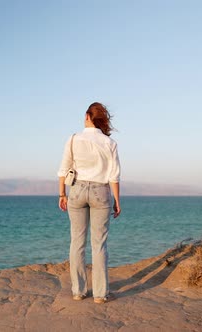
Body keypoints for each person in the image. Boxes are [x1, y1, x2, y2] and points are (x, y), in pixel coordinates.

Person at [57, 102, 121, 304]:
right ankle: (100, 295)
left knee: (77, 242)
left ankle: (78, 291)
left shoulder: (74, 139)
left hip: (77, 190)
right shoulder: (110, 143)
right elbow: (114, 176)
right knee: (99, 244)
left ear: (87, 116)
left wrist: (62, 194)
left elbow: (63, 169)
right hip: (101, 191)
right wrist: (117, 201)